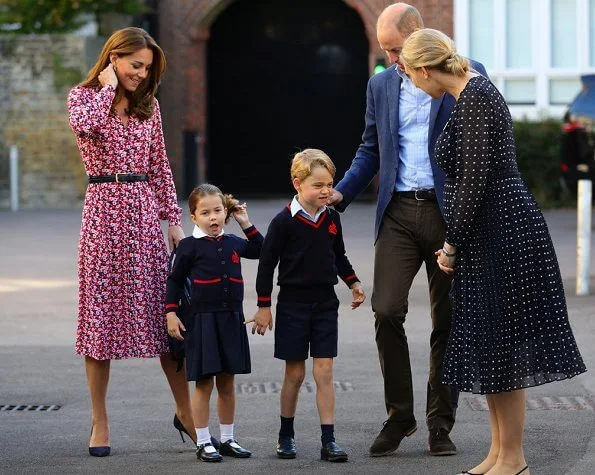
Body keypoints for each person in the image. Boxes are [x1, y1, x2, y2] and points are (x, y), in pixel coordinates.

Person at [400, 28, 587, 475]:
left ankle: (514, 457)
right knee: (492, 345)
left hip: (503, 230)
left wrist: (449, 245)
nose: (410, 83)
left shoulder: (477, 95)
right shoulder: (469, 95)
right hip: (490, 230)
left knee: (504, 344)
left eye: (408, 74)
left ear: (425, 69)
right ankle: (499, 452)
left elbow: (473, 183)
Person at [327, 3, 487, 457]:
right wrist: (341, 192)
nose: (391, 59)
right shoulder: (380, 83)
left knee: (448, 319)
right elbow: (369, 147)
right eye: (384, 50)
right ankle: (400, 417)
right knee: (387, 309)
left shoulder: (466, 74)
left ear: (418, 36)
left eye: (396, 49)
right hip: (396, 211)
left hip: (448, 212)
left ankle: (441, 423)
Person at [67, 27, 194, 456]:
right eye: (135, 65)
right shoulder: (84, 97)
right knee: (98, 322)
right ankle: (99, 421)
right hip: (102, 211)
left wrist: (172, 220)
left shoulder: (149, 107)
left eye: (147, 68)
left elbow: (159, 164)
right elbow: (83, 129)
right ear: (113, 59)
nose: (142, 74)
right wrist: (105, 91)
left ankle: (186, 412)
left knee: (165, 316)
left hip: (141, 214)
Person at [248, 149, 366, 463]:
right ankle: (286, 435)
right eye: (318, 185)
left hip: (325, 303)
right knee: (295, 374)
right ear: (298, 184)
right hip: (292, 305)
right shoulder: (283, 221)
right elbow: (266, 265)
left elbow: (338, 255)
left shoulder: (332, 218)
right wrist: (264, 306)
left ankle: (329, 440)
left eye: (329, 184)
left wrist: (353, 283)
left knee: (325, 371)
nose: (326, 190)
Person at [166, 184, 263, 462]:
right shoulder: (187, 247)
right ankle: (204, 441)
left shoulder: (233, 242)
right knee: (204, 383)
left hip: (231, 320)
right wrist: (171, 313)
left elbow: (262, 249)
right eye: (205, 212)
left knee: (228, 383)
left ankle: (228, 439)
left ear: (226, 212)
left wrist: (245, 222)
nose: (213, 217)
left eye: (218, 211)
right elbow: (173, 282)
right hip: (201, 321)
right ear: (193, 217)